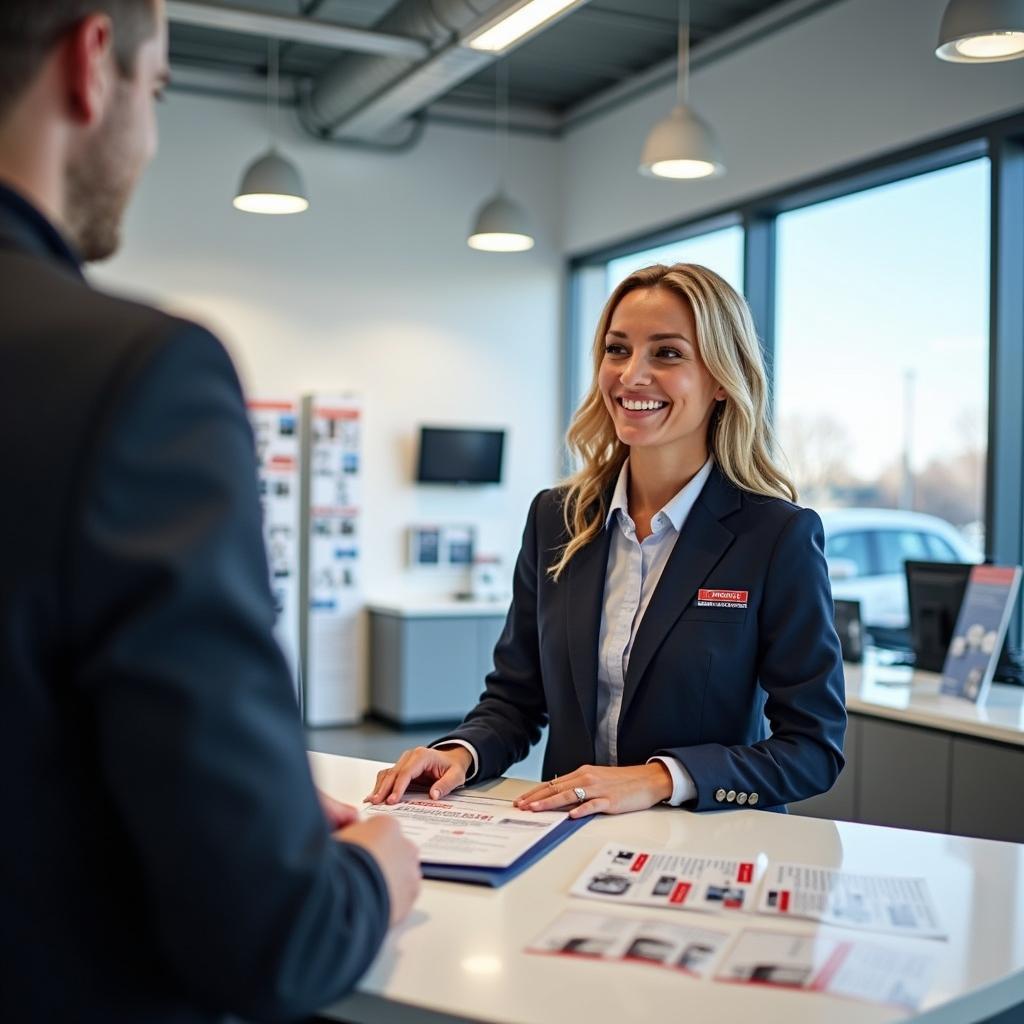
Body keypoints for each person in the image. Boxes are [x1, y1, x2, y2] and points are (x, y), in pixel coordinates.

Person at [0, 2, 419, 1021]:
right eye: (159, 93)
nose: (146, 137)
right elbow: (273, 937)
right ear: (92, 65)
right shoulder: (133, 377)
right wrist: (375, 868)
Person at [369, 263, 846, 817]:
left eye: (666, 353)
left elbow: (812, 750)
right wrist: (459, 751)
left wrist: (662, 779)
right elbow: (516, 699)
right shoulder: (558, 518)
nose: (632, 375)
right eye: (618, 350)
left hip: (709, 844)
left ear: (720, 380)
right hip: (570, 840)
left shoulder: (776, 535)